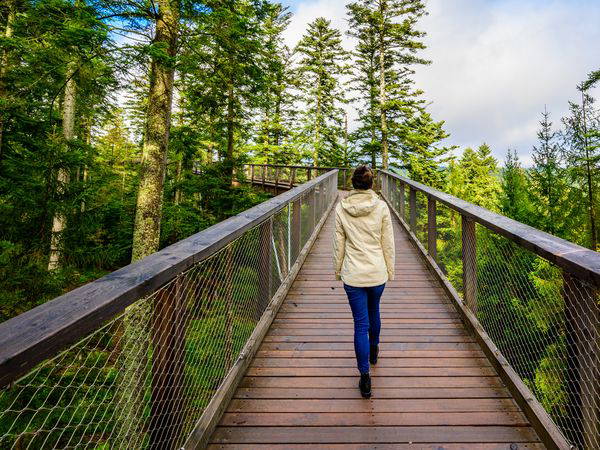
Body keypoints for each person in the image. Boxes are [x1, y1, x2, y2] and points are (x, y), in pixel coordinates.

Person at [333, 165, 395, 398]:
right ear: (371, 184)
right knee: (374, 311)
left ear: (353, 183)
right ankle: (374, 349)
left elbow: (339, 244)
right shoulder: (381, 208)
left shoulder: (342, 207)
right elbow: (387, 242)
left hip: (353, 274)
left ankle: (365, 377)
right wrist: (390, 270)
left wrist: (338, 270)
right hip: (376, 272)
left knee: (360, 324)